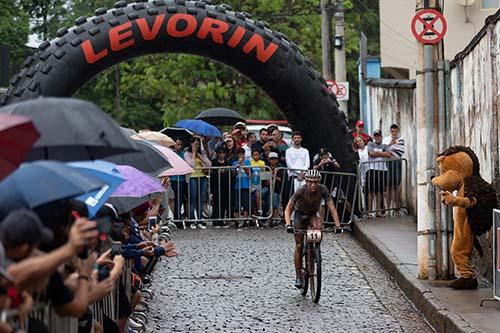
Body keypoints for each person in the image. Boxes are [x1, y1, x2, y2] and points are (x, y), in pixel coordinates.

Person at [284, 169, 342, 289]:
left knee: (318, 229)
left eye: (316, 182)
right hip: (300, 215)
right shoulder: (301, 190)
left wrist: (337, 225)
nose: (313, 185)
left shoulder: (323, 189)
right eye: (310, 182)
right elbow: (288, 208)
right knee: (299, 245)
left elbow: (332, 208)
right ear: (306, 181)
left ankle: (314, 253)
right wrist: (288, 224)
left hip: (312, 214)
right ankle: (298, 276)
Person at [184, 136, 212, 229]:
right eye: (194, 143)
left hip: (202, 177)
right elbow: (191, 164)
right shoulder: (187, 153)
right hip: (192, 178)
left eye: (198, 143)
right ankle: (192, 220)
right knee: (193, 198)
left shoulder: (202, 153)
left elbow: (208, 164)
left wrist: (199, 155)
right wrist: (194, 153)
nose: (196, 145)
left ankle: (200, 219)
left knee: (201, 199)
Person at [367, 130, 392, 217]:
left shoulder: (384, 145)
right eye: (375, 136)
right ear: (374, 137)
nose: (377, 137)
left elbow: (389, 154)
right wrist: (382, 154)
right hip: (372, 169)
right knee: (371, 191)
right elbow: (371, 153)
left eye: (378, 136)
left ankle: (378, 211)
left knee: (380, 191)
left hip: (382, 170)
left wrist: (377, 153)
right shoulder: (370, 144)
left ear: (381, 137)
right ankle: (369, 212)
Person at [382, 124, 405, 215]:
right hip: (388, 164)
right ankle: (388, 209)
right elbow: (383, 151)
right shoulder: (386, 139)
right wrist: (390, 144)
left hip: (397, 164)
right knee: (388, 187)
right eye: (392, 131)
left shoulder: (401, 140)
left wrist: (389, 149)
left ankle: (396, 209)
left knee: (396, 187)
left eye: (395, 131)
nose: (394, 133)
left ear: (398, 131)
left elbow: (400, 151)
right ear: (390, 131)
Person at [284, 131, 310, 202]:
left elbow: (307, 164)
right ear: (292, 139)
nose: (297, 139)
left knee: (304, 199)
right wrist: (299, 173)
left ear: (301, 139)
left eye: (298, 138)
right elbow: (289, 164)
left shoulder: (305, 151)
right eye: (295, 138)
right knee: (292, 199)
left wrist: (303, 173)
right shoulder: (288, 151)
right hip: (293, 177)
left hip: (304, 177)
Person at [261, 152, 284, 226]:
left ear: (277, 160)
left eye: (274, 159)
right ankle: (260, 212)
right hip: (267, 187)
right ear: (269, 159)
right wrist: (271, 177)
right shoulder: (266, 167)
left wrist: (273, 176)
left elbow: (280, 179)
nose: (273, 161)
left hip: (276, 189)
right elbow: (264, 179)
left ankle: (274, 219)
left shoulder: (280, 167)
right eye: (271, 159)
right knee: (259, 194)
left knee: (274, 203)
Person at [210, 146, 231, 227]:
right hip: (216, 185)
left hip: (225, 185)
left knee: (224, 203)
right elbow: (212, 173)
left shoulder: (226, 162)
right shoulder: (214, 162)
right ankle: (215, 220)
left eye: (223, 153)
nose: (222, 154)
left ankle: (222, 219)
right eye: (220, 153)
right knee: (216, 203)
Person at [232, 148, 251, 226]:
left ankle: (245, 220)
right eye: (240, 154)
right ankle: (237, 220)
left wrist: (243, 165)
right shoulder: (234, 163)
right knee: (237, 204)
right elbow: (233, 174)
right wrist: (237, 167)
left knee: (246, 204)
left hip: (245, 186)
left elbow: (249, 173)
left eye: (242, 154)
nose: (241, 156)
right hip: (237, 186)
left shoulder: (247, 162)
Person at [170, 139, 188, 226]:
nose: (179, 146)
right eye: (177, 144)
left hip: (182, 179)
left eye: (180, 144)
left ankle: (180, 218)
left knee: (181, 200)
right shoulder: (172, 154)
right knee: (177, 200)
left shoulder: (183, 154)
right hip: (175, 179)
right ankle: (177, 220)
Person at [249, 148, 266, 217]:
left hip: (258, 184)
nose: (256, 156)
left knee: (257, 195)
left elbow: (264, 172)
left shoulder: (262, 163)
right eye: (254, 155)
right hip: (251, 184)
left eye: (257, 155)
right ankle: (255, 213)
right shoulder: (250, 162)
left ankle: (259, 211)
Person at [355, 137, 370, 211]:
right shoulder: (357, 152)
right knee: (365, 191)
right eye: (357, 142)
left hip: (370, 171)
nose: (359, 142)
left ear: (363, 141)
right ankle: (366, 208)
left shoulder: (368, 148)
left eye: (360, 140)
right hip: (362, 174)